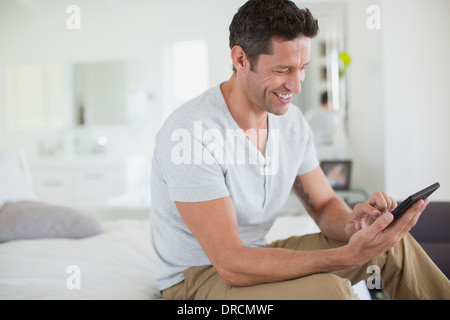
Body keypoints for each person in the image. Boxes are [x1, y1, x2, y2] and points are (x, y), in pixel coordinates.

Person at [150, 0, 450, 299]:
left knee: (389, 245)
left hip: (254, 256)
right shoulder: (190, 133)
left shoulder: (291, 123)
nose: (296, 85)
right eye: (283, 70)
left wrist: (357, 226)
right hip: (198, 279)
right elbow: (230, 264)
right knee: (329, 291)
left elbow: (323, 205)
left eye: (302, 69)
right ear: (241, 60)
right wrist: (346, 257)